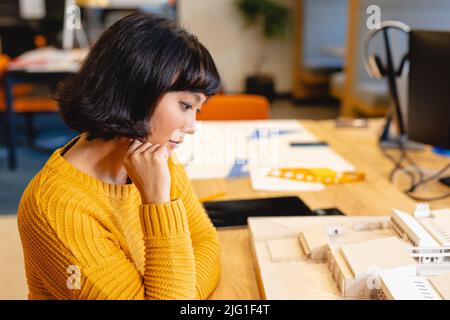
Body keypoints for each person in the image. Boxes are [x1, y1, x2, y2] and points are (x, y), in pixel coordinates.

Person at [17, 12, 222, 300]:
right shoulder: (55, 208)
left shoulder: (154, 154)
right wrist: (157, 203)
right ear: (136, 89)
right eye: (186, 105)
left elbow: (206, 242)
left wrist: (181, 291)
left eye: (196, 110)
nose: (191, 127)